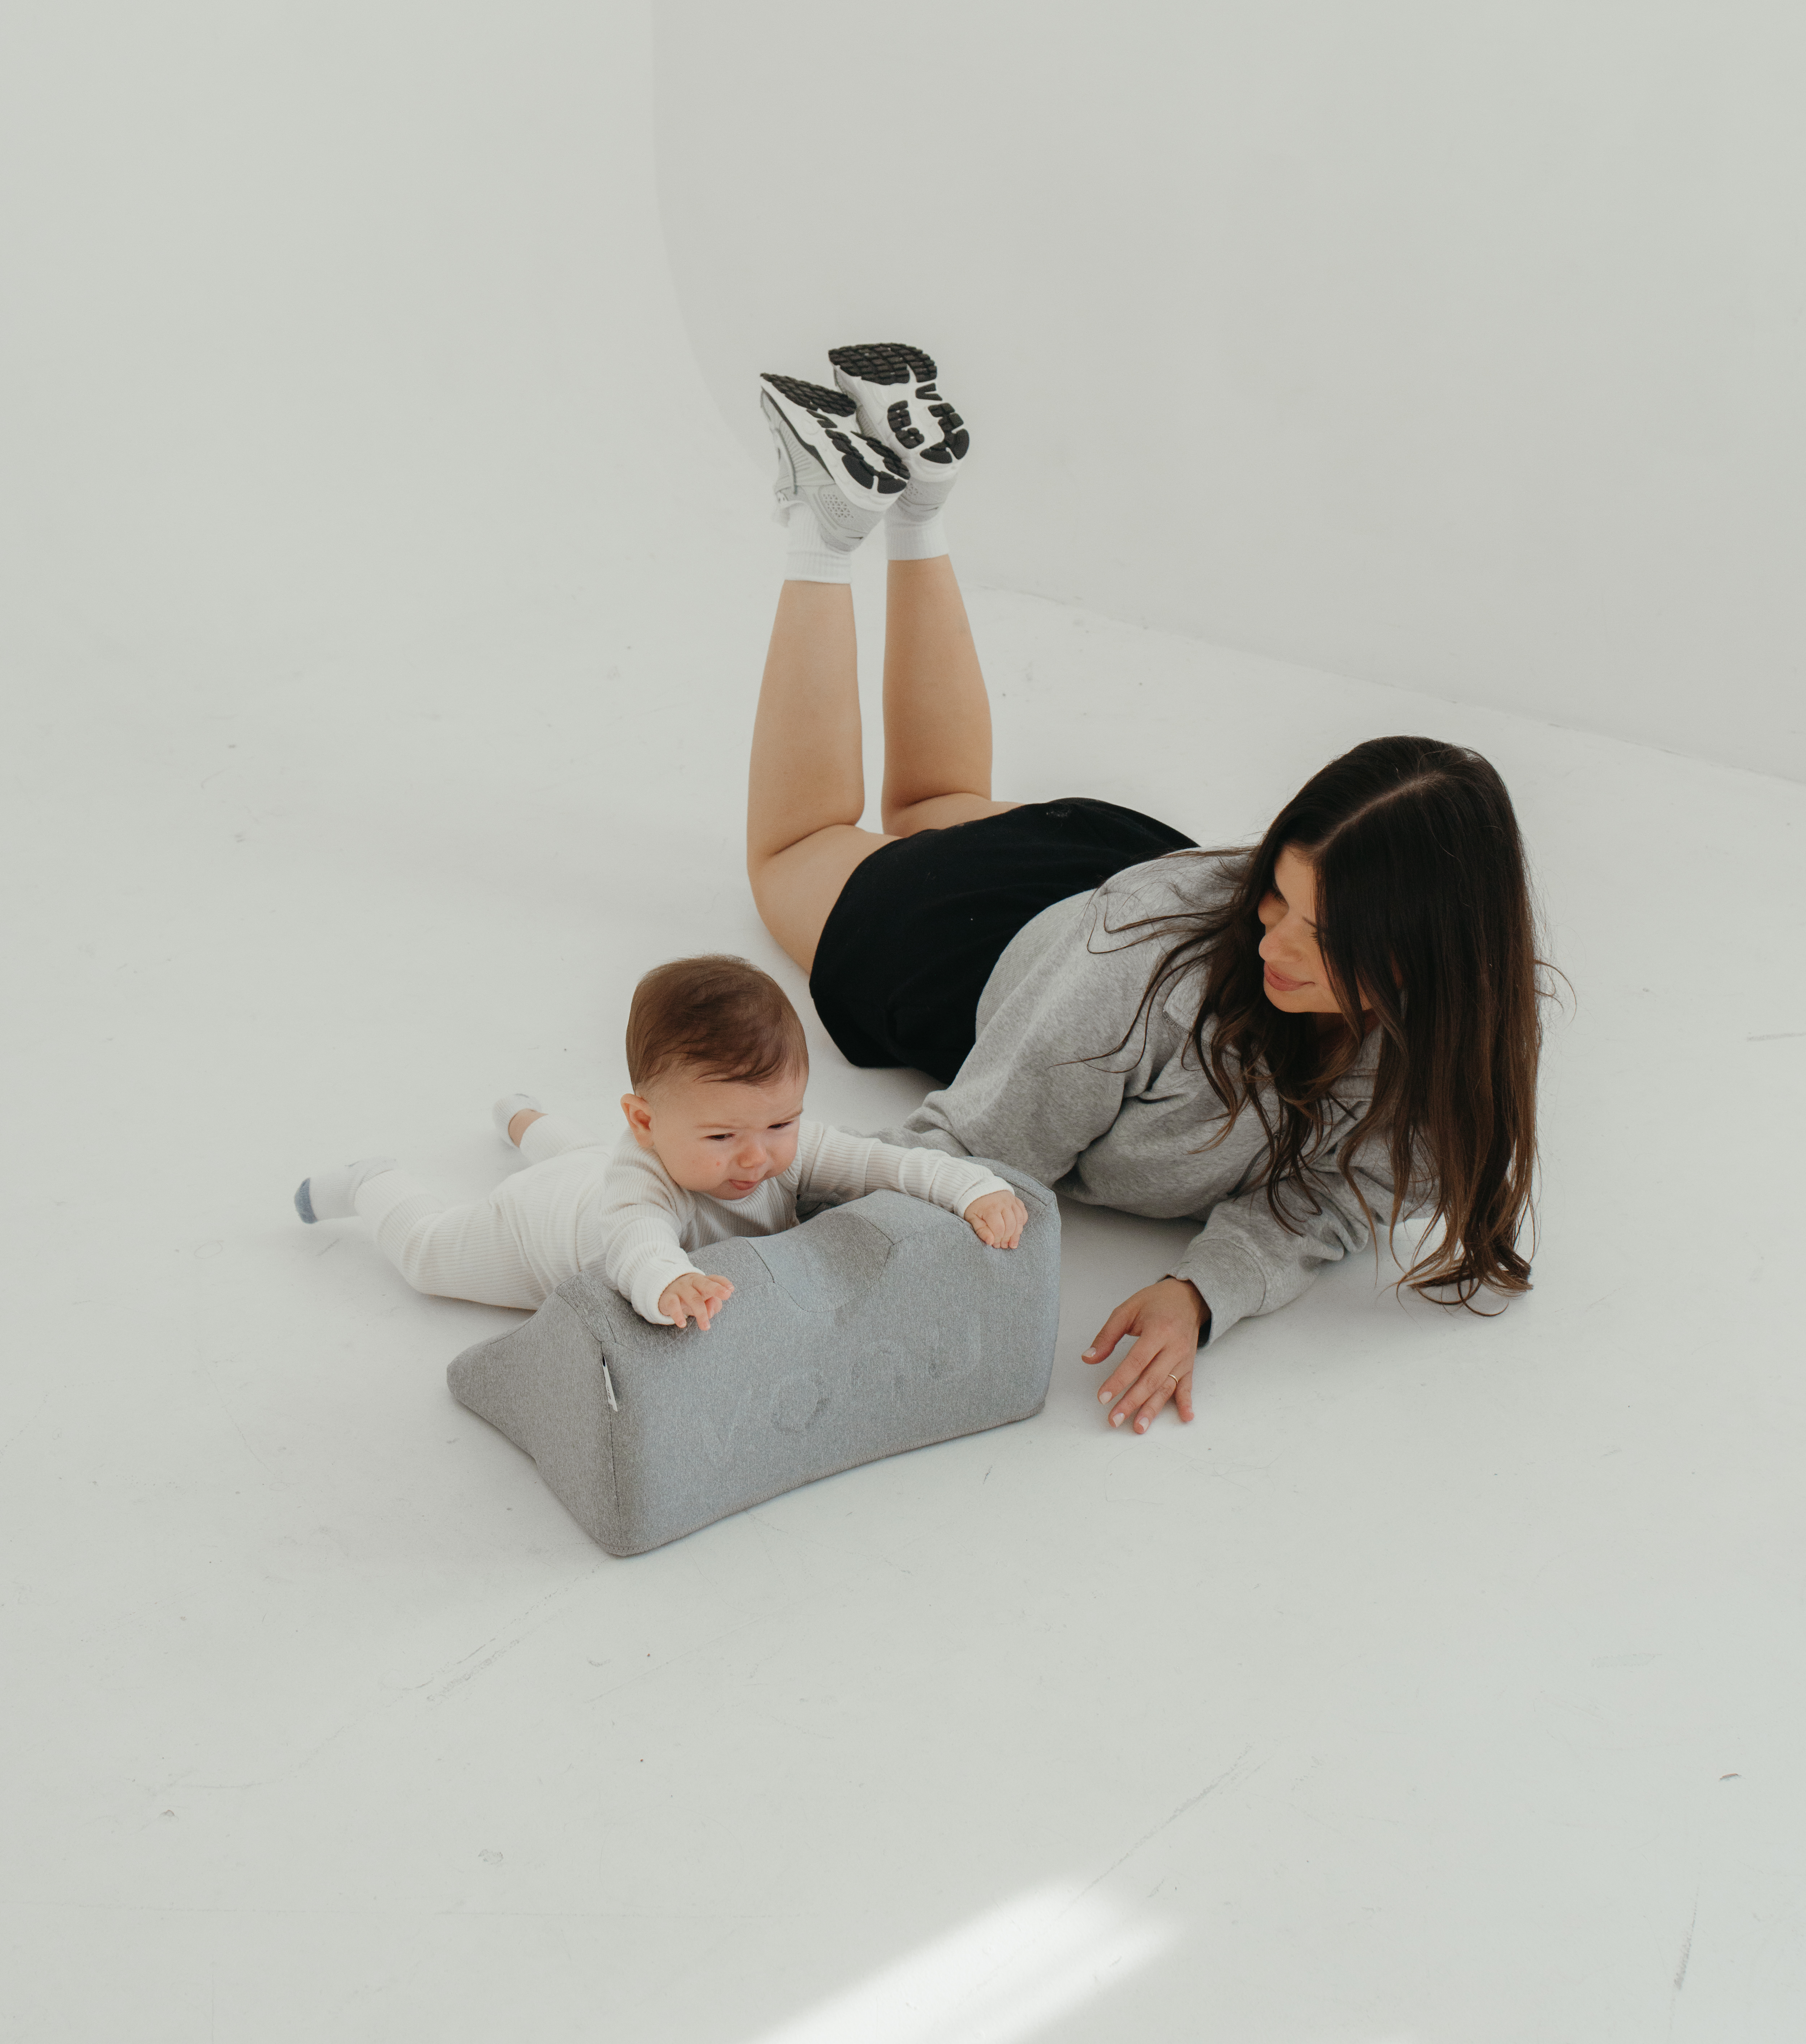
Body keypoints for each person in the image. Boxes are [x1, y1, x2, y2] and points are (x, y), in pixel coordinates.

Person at [751, 343, 1545, 1437]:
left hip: (1122, 868)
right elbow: (971, 1154)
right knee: (796, 848)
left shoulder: (1442, 1052)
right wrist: (784, 1258)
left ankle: (916, 500)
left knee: (943, 793)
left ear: (1438, 963)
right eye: (1278, 894)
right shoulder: (1130, 987)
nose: (1279, 943)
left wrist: (1199, 1291)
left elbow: (1320, 1200)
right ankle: (827, 526)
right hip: (1005, 945)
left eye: (1321, 935)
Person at [292, 954, 1028, 1323]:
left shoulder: (769, 1145)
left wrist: (974, 1188)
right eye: (724, 1134)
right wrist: (667, 1283)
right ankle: (371, 1180)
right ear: (643, 1121)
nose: (757, 1156)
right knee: (429, 1255)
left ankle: (520, 1114)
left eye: (781, 1121)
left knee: (579, 1152)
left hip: (586, 1169)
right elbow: (636, 1242)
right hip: (539, 1227)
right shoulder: (640, 1183)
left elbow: (883, 1161)